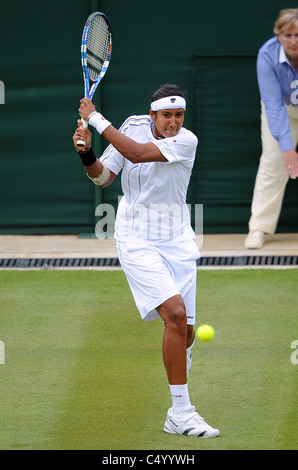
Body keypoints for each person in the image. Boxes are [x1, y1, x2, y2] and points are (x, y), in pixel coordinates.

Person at [72, 83, 219, 438]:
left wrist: (94, 119)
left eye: (179, 115)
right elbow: (104, 178)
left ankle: (176, 414)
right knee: (176, 313)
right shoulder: (131, 126)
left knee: (185, 334)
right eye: (166, 115)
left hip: (178, 240)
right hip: (136, 238)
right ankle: (182, 412)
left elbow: (138, 155)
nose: (173, 122)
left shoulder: (188, 141)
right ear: (152, 115)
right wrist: (87, 154)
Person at [245, 8, 298, 249]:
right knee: (274, 161)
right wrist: (286, 148)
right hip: (283, 111)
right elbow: (274, 105)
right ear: (278, 35)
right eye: (288, 35)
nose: (294, 41)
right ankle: (259, 227)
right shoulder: (267, 55)